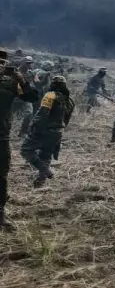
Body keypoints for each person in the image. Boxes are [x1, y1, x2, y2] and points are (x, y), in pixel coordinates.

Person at [0, 51, 39, 230]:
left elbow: (31, 98)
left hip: (2, 136)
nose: (1, 66)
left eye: (3, 62)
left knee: (1, 176)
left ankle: (0, 215)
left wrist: (23, 81)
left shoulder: (10, 83)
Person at [21, 75, 75, 187]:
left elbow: (42, 114)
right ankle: (40, 182)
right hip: (58, 132)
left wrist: (33, 127)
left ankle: (46, 171)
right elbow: (67, 119)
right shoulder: (70, 100)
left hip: (45, 130)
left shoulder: (50, 95)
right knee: (46, 155)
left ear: (53, 84)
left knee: (25, 150)